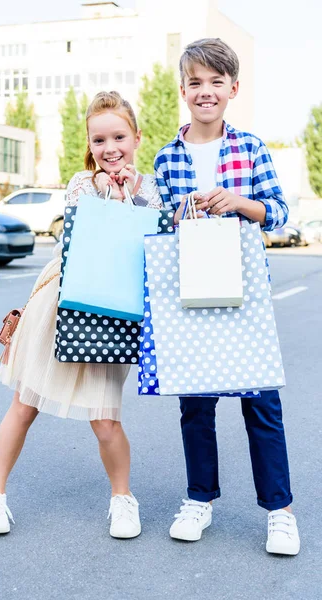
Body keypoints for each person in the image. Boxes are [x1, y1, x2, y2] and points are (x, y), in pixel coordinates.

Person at [0, 91, 162, 539]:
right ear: (89, 144)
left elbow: (151, 242)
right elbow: (81, 239)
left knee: (105, 419)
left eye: (118, 136)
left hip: (113, 309)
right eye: (99, 139)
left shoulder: (151, 187)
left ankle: (123, 499)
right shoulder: (83, 183)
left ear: (136, 138)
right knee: (24, 405)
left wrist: (128, 200)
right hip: (61, 302)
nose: (109, 147)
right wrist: (106, 193)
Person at [154, 38, 300, 556]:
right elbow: (157, 224)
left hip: (245, 293)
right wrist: (177, 214)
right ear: (184, 90)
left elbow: (282, 213)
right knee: (195, 403)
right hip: (187, 294)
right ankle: (199, 499)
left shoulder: (251, 147)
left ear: (233, 89)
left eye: (216, 82)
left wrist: (241, 203)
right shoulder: (167, 157)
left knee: (261, 402)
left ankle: (279, 512)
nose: (206, 91)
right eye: (196, 82)